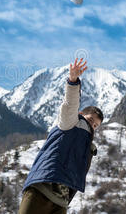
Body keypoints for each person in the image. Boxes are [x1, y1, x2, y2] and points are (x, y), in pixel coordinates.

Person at [19, 58, 104, 214]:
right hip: (42, 188)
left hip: (61, 201)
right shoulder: (70, 123)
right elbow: (70, 104)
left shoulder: (87, 146)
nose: (92, 126)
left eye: (95, 126)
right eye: (90, 120)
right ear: (80, 114)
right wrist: (73, 81)